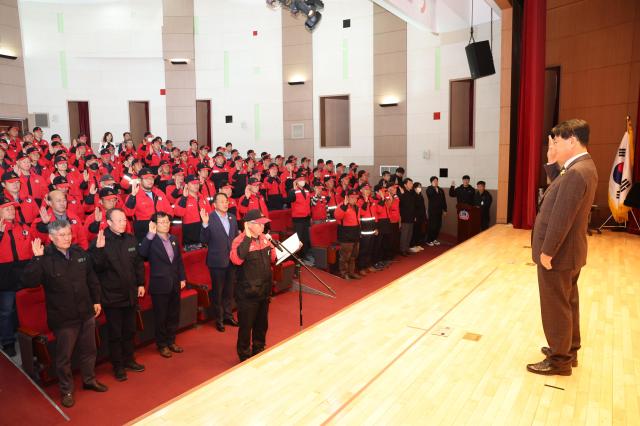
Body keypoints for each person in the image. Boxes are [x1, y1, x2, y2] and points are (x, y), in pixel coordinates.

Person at [527, 119, 598, 376]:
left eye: (557, 141)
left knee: (555, 306)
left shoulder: (577, 172)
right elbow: (558, 183)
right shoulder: (581, 167)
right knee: (568, 302)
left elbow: (561, 217)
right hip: (570, 253)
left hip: (558, 255)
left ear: (572, 141)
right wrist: (551, 157)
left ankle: (559, 361)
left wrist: (547, 252)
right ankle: (569, 350)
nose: (554, 145)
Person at [22, 220, 108, 408]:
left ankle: (89, 380)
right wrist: (36, 258)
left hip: (86, 312)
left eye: (68, 233)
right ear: (51, 238)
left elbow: (92, 279)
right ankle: (66, 390)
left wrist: (96, 300)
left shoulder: (79, 253)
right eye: (62, 235)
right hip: (63, 318)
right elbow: (29, 281)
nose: (67, 238)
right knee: (64, 359)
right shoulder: (44, 258)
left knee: (89, 350)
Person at [90, 208, 146, 382]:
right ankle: (118, 366)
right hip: (112, 296)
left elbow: (138, 263)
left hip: (130, 294)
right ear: (109, 223)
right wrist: (98, 251)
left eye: (124, 220)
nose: (124, 223)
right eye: (119, 220)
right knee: (115, 333)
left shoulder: (130, 238)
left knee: (129, 330)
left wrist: (140, 283)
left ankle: (129, 359)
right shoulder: (100, 241)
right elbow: (95, 269)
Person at [138, 212, 186, 358]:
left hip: (175, 283)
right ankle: (162, 344)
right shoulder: (150, 240)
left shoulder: (173, 239)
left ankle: (171, 341)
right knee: (161, 317)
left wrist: (182, 278)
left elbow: (178, 261)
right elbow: (141, 253)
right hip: (160, 285)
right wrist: (150, 234)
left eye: (167, 222)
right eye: (162, 222)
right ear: (154, 225)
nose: (166, 224)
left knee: (173, 315)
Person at [229, 209, 276, 362]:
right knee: (246, 327)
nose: (263, 227)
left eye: (263, 224)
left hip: (264, 291)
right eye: (260, 224)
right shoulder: (239, 240)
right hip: (248, 294)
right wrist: (247, 239)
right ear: (249, 225)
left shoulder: (265, 238)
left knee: (262, 325)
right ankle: (244, 354)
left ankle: (259, 348)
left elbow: (273, 259)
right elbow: (236, 260)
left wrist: (278, 247)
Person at [0, 194, 33, 357]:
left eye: (12, 207)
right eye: (7, 208)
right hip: (4, 275)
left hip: (24, 272)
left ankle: (30, 339)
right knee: (6, 310)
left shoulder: (23, 226)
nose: (11, 210)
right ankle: (7, 342)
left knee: (27, 308)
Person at [200, 193, 239, 332]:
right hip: (217, 262)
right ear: (215, 205)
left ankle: (228, 315)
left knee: (229, 291)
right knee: (218, 292)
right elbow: (203, 240)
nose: (225, 203)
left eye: (226, 201)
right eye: (222, 201)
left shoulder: (232, 218)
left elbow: (235, 239)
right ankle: (219, 319)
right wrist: (204, 224)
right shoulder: (209, 218)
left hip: (231, 261)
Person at [334, 190, 362, 280]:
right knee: (345, 256)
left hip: (355, 233)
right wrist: (344, 206)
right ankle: (344, 273)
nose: (354, 199)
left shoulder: (357, 206)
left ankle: (351, 272)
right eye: (352, 197)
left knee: (354, 255)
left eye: (356, 198)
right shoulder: (342, 206)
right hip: (346, 234)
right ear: (347, 197)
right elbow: (337, 216)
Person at [425, 176, 447, 246]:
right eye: (434, 181)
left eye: (436, 181)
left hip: (439, 211)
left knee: (438, 225)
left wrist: (445, 209)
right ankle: (429, 240)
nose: (436, 182)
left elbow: (444, 200)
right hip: (432, 211)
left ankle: (434, 239)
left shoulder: (440, 189)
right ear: (431, 182)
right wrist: (434, 188)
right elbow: (430, 194)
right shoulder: (429, 189)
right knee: (432, 226)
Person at [398, 178, 416, 256]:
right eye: (410, 183)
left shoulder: (411, 192)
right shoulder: (402, 192)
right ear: (405, 185)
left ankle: (406, 248)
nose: (412, 185)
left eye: (412, 183)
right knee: (404, 234)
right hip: (405, 217)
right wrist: (403, 194)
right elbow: (402, 203)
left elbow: (413, 205)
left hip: (411, 217)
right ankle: (402, 250)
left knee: (409, 234)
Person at [411, 182, 427, 251]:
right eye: (418, 187)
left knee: (419, 231)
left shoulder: (420, 195)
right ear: (414, 188)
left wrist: (424, 215)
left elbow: (423, 206)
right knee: (415, 231)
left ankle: (418, 244)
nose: (420, 188)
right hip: (416, 216)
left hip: (421, 216)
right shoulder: (413, 195)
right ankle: (413, 245)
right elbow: (412, 207)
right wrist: (414, 216)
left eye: (420, 187)